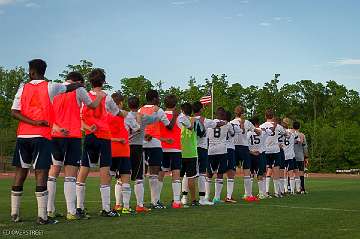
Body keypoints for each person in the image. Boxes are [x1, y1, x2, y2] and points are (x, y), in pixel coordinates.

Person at [10, 59, 83, 225]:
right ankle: (42, 217)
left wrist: (30, 122)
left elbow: (14, 112)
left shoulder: (23, 88)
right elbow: (69, 87)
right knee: (41, 173)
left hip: (23, 136)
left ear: (31, 71)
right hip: (42, 136)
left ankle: (15, 214)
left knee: (20, 174)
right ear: (44, 70)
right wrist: (79, 84)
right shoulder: (52, 86)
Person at [47, 72, 106, 221]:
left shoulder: (54, 88)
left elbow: (47, 113)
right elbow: (92, 106)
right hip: (72, 135)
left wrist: (56, 127)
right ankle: (71, 212)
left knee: (53, 172)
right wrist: (100, 96)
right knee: (70, 175)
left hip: (55, 134)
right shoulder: (79, 89)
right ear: (79, 81)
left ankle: (49, 210)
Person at [76, 69, 127, 217]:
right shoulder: (107, 97)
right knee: (104, 170)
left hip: (90, 136)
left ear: (90, 82)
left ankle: (79, 208)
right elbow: (117, 112)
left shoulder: (83, 96)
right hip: (104, 136)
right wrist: (130, 115)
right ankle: (105, 208)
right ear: (104, 81)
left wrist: (87, 127)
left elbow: (80, 118)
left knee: (84, 169)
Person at [139, 90, 177, 209]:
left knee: (142, 174)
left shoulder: (140, 110)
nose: (159, 100)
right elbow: (169, 127)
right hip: (155, 144)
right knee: (154, 174)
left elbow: (137, 126)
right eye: (158, 98)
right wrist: (175, 116)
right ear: (154, 99)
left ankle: (140, 203)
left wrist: (145, 135)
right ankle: (155, 202)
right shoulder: (158, 110)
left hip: (142, 144)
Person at [182, 101, 219, 206]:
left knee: (187, 174)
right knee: (202, 174)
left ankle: (184, 198)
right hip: (201, 149)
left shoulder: (186, 120)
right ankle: (202, 199)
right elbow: (217, 124)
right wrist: (224, 122)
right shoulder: (205, 120)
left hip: (188, 149)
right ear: (201, 109)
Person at [109, 93, 140, 215]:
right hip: (123, 150)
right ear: (120, 103)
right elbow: (137, 128)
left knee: (110, 179)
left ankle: (114, 205)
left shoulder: (106, 114)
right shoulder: (126, 115)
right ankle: (126, 207)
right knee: (125, 177)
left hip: (110, 150)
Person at [127, 96, 159, 213]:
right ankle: (139, 205)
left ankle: (119, 205)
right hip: (137, 147)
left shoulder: (124, 116)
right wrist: (155, 110)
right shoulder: (142, 117)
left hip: (124, 147)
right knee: (139, 177)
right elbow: (155, 119)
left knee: (122, 177)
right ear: (138, 105)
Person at [160, 95, 192, 209]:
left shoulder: (160, 114)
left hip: (162, 148)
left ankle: (156, 200)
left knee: (161, 174)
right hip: (175, 148)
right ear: (175, 104)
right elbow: (190, 126)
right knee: (176, 174)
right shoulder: (181, 117)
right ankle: (177, 202)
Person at [230, 106, 260, 200]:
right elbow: (257, 132)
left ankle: (229, 196)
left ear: (235, 113)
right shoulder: (247, 122)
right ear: (243, 113)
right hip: (244, 147)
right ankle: (248, 194)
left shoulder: (231, 123)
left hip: (234, 147)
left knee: (232, 171)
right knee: (247, 171)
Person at [207, 107, 234, 204]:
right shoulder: (228, 124)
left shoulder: (209, 123)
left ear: (216, 114)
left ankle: (206, 197)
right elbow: (232, 133)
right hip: (222, 150)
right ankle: (216, 197)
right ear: (224, 115)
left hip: (210, 150)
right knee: (220, 174)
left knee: (209, 174)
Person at [260, 109, 285, 198]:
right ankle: (276, 192)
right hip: (275, 150)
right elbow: (284, 133)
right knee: (276, 171)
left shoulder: (261, 126)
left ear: (265, 116)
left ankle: (266, 191)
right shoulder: (278, 126)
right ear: (273, 116)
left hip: (265, 150)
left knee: (266, 171)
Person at [179, 103, 198, 206]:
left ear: (182, 110)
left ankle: (177, 199)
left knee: (178, 178)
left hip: (180, 152)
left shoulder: (179, 120)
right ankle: (194, 200)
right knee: (191, 177)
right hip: (192, 152)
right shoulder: (195, 120)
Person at [248, 116, 269, 199]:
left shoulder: (248, 132)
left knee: (250, 174)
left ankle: (248, 193)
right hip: (260, 154)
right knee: (261, 173)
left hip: (250, 154)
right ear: (258, 123)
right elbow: (269, 133)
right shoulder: (262, 132)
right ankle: (261, 193)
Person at [224, 111, 240, 203]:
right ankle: (229, 196)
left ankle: (214, 197)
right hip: (229, 149)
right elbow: (239, 131)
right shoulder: (231, 125)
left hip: (220, 149)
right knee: (231, 172)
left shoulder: (217, 124)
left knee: (217, 173)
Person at [282, 118, 300, 195]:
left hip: (283, 154)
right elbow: (298, 140)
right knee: (291, 172)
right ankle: (292, 190)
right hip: (290, 155)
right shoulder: (293, 133)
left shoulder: (280, 132)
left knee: (284, 173)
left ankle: (285, 189)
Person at [293, 121, 308, 194]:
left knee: (291, 172)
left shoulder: (291, 134)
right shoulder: (302, 135)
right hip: (300, 156)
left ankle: (291, 188)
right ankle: (302, 188)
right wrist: (306, 157)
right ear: (299, 127)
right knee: (301, 172)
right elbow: (305, 147)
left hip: (292, 156)